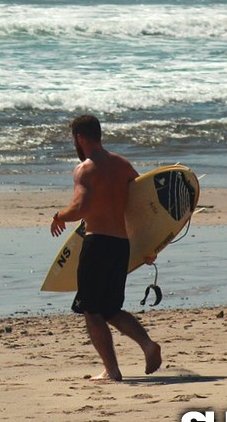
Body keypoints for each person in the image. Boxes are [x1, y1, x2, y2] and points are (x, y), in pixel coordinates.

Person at [49, 114, 162, 381]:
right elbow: (143, 203)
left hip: (97, 243)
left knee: (91, 310)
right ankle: (147, 345)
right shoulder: (122, 165)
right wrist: (150, 244)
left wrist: (59, 215)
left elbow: (81, 208)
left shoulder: (85, 170)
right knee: (110, 309)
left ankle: (112, 370)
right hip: (121, 245)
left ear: (80, 138)